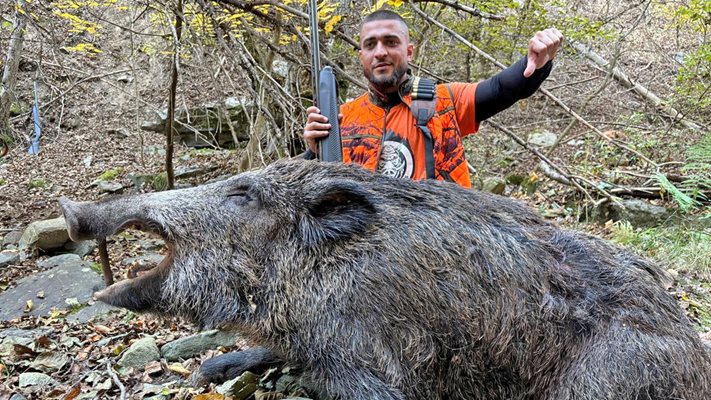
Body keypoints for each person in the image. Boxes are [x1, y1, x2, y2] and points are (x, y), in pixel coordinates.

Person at [303, 9, 563, 188]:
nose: (380, 52)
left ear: (409, 51)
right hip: (369, 262)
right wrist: (314, 152)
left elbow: (501, 89)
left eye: (390, 42)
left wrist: (536, 64)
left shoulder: (445, 102)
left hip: (441, 254)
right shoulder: (341, 120)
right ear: (361, 55)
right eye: (370, 45)